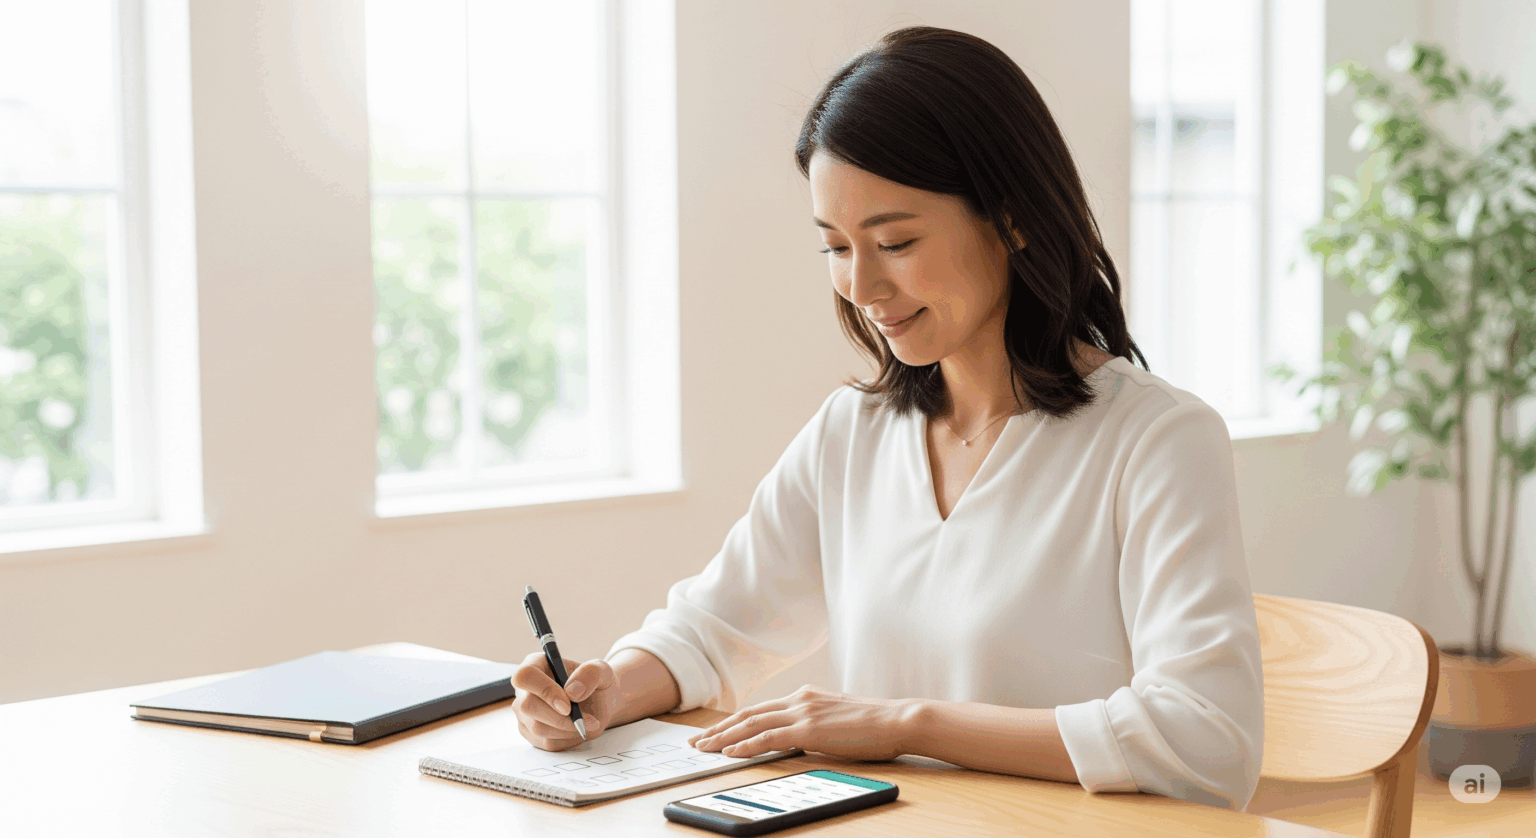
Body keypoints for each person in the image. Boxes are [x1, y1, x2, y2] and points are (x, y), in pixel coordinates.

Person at [511, 25, 1264, 812]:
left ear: (1012, 219)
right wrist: (604, 693)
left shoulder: (1157, 440)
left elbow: (1208, 740)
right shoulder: (854, 434)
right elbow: (713, 626)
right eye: (835, 247)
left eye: (895, 241)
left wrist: (905, 724)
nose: (861, 286)